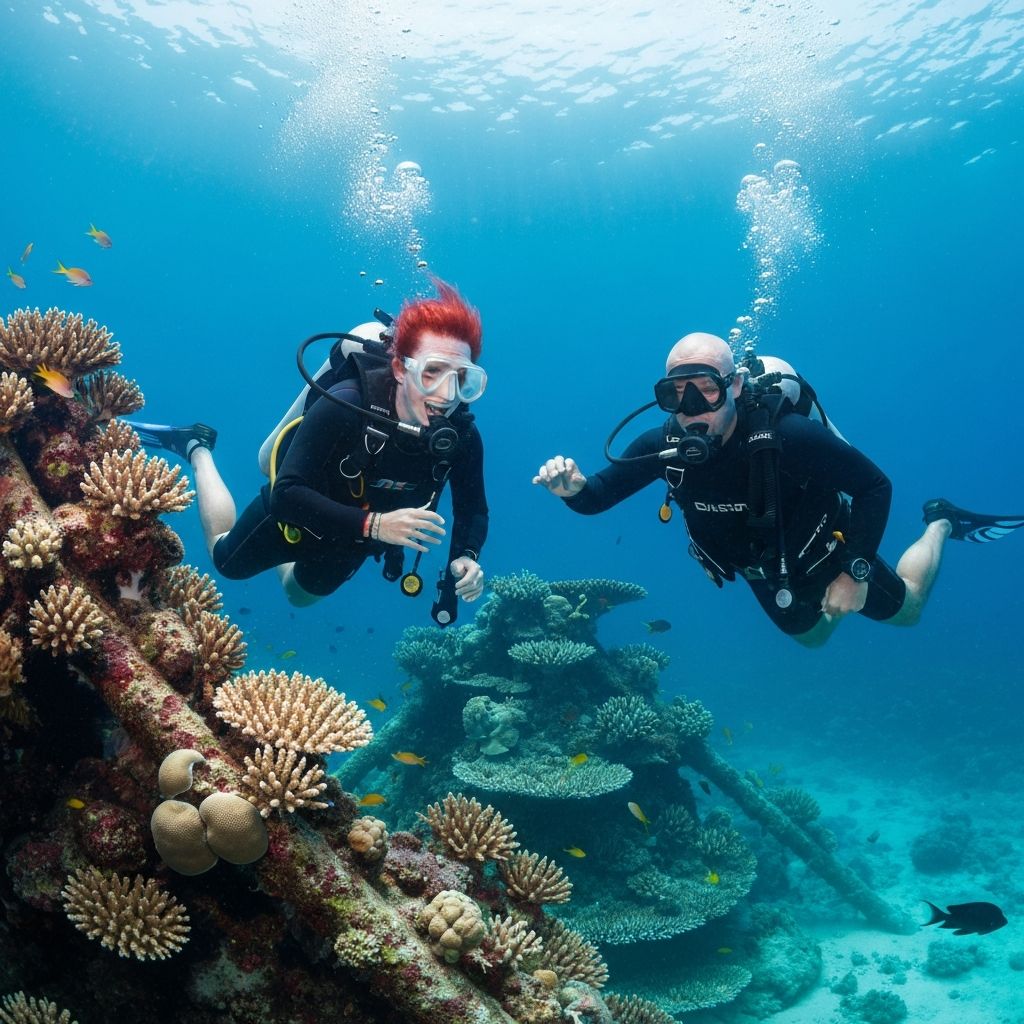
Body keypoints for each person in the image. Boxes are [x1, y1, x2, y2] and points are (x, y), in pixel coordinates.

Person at [534, 332, 1023, 647]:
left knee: (910, 610)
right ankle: (829, 607)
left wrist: (854, 572)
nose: (690, 405)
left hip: (830, 551)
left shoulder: (789, 438)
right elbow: (596, 498)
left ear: (737, 386)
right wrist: (572, 488)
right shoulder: (662, 446)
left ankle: (941, 520)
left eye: (705, 387)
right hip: (762, 570)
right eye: (673, 392)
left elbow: (875, 486)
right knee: (812, 641)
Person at [132, 280, 488, 617]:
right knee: (226, 563)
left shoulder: (463, 438)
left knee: (297, 596)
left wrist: (467, 556)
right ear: (399, 368)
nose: (447, 394)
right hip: (302, 512)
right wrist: (375, 525)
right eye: (432, 372)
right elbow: (286, 492)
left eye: (462, 378)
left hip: (357, 536)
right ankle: (197, 447)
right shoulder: (346, 403)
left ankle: (304, 551)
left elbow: (473, 510)